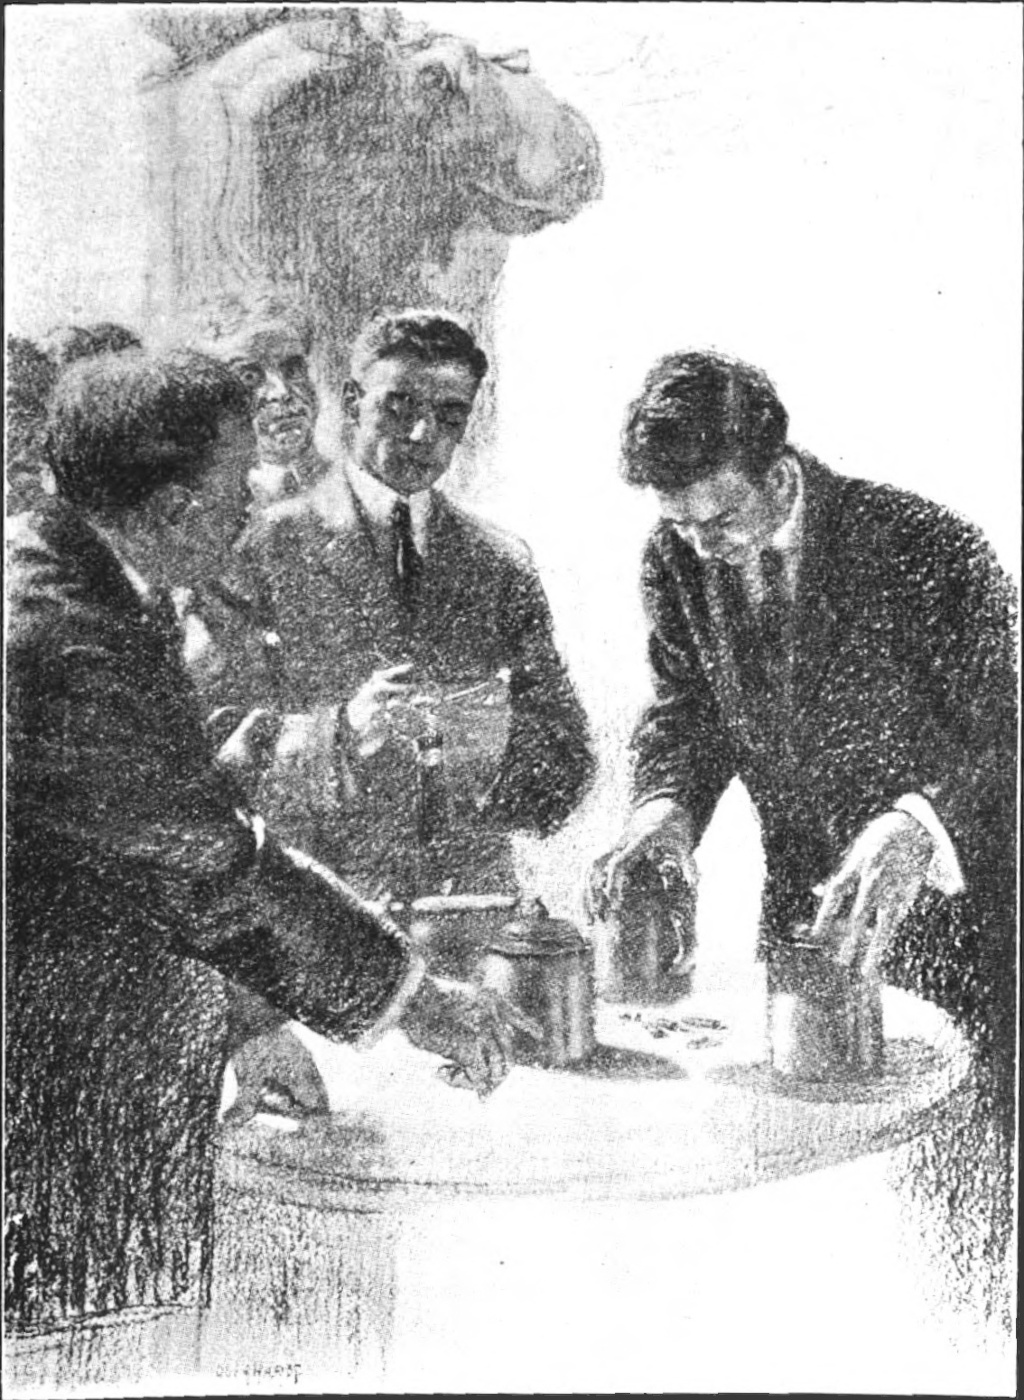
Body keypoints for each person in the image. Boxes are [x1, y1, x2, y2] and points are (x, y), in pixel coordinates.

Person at [5, 348, 532, 1334]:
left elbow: (155, 857)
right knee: (84, 1343)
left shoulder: (82, 575)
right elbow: (209, 864)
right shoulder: (59, 633)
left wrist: (249, 1020)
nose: (251, 510)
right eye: (233, 487)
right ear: (166, 509)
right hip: (65, 1103)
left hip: (107, 1067)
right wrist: (411, 998)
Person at [587, 348, 1017, 1315]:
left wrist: (918, 822)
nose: (701, 546)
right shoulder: (678, 556)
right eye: (681, 525)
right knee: (827, 1216)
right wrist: (662, 807)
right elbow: (686, 709)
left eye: (720, 518)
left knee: (968, 1209)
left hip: (965, 928)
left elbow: (1008, 731)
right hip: (808, 938)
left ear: (778, 474)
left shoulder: (923, 545)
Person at [222, 309, 595, 903]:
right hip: (315, 907)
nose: (423, 436)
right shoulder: (258, 547)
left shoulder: (499, 562)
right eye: (398, 408)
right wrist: (342, 732)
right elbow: (208, 747)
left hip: (469, 908)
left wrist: (498, 747)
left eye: (450, 418)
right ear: (350, 404)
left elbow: (568, 757)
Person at [189, 290, 330, 510]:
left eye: (293, 370)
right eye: (250, 377)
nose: (281, 392)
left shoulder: (354, 486)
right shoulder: (207, 509)